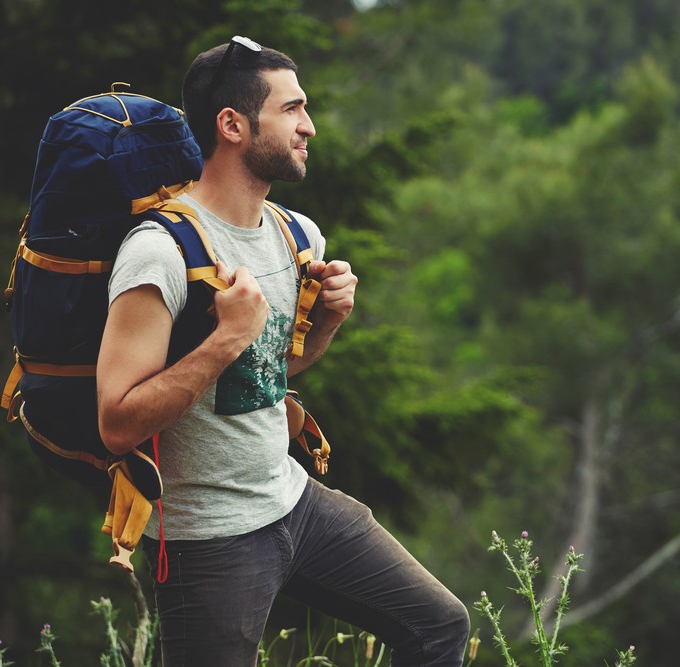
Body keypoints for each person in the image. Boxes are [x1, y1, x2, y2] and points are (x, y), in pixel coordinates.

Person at [96, 36, 470, 666]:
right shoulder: (159, 253)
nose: (310, 126)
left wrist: (324, 324)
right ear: (233, 125)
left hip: (292, 504)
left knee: (438, 627)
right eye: (292, 110)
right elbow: (116, 421)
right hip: (206, 540)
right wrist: (226, 337)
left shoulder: (296, 234)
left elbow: (263, 376)